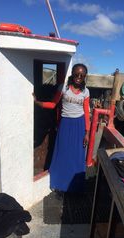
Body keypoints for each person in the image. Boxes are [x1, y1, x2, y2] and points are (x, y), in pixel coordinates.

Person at [33, 63, 90, 193]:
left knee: (77, 155)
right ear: (72, 74)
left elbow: (86, 112)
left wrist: (86, 132)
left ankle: (76, 186)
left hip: (79, 125)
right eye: (76, 74)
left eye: (82, 75)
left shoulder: (86, 91)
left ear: (84, 76)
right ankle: (60, 184)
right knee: (62, 153)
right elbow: (53, 104)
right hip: (65, 124)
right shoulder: (63, 88)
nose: (79, 77)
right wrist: (38, 102)